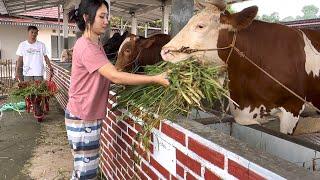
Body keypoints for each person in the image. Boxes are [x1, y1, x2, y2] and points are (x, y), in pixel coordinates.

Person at [65, 0, 169, 179]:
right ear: (86, 17)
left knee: (83, 168)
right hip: (83, 117)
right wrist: (155, 78)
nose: (106, 21)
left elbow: (106, 76)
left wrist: (121, 78)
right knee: (86, 172)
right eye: (102, 16)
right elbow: (114, 75)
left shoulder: (95, 44)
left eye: (107, 16)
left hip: (85, 114)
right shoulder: (87, 47)